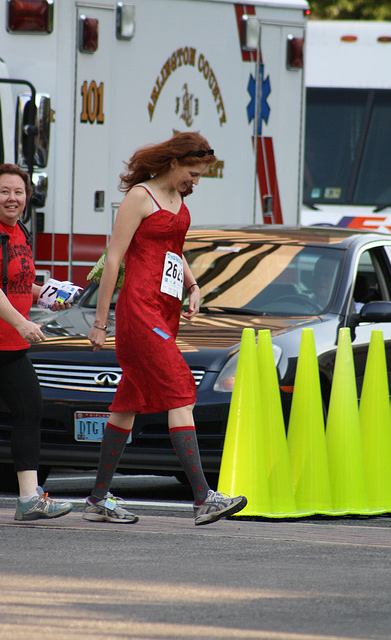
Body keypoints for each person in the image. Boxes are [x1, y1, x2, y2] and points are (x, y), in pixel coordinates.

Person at [85, 132, 247, 526]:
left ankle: (97, 499)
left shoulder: (178, 198)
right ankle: (202, 497)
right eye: (193, 172)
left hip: (166, 309)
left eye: (201, 174)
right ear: (174, 162)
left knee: (128, 403)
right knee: (180, 388)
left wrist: (192, 285)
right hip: (139, 310)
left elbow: (173, 250)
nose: (196, 180)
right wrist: (100, 322)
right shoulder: (141, 197)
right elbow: (113, 260)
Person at [0, 164, 73, 521]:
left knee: (30, 410)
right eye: (5, 192)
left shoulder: (20, 232)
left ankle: (29, 498)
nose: (13, 198)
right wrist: (22, 322)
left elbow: (15, 281)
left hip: (9, 347)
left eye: (19, 192)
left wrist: (46, 294)